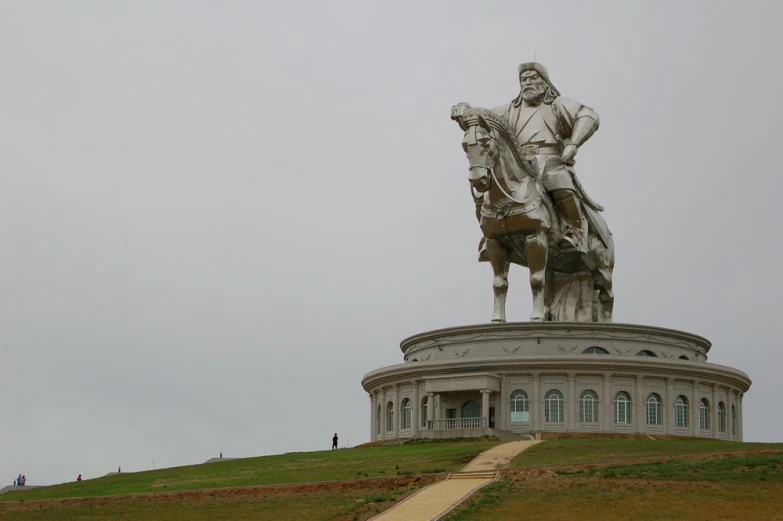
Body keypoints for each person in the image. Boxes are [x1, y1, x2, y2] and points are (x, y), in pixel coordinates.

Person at [495, 62, 600, 253]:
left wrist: (573, 144)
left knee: (556, 178)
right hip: (518, 162)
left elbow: (589, 115)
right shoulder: (510, 109)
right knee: (491, 183)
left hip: (548, 157)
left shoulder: (556, 104)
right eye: (523, 79)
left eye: (533, 78)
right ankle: (492, 234)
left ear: (544, 81)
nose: (527, 83)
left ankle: (577, 232)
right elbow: (484, 119)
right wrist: (466, 110)